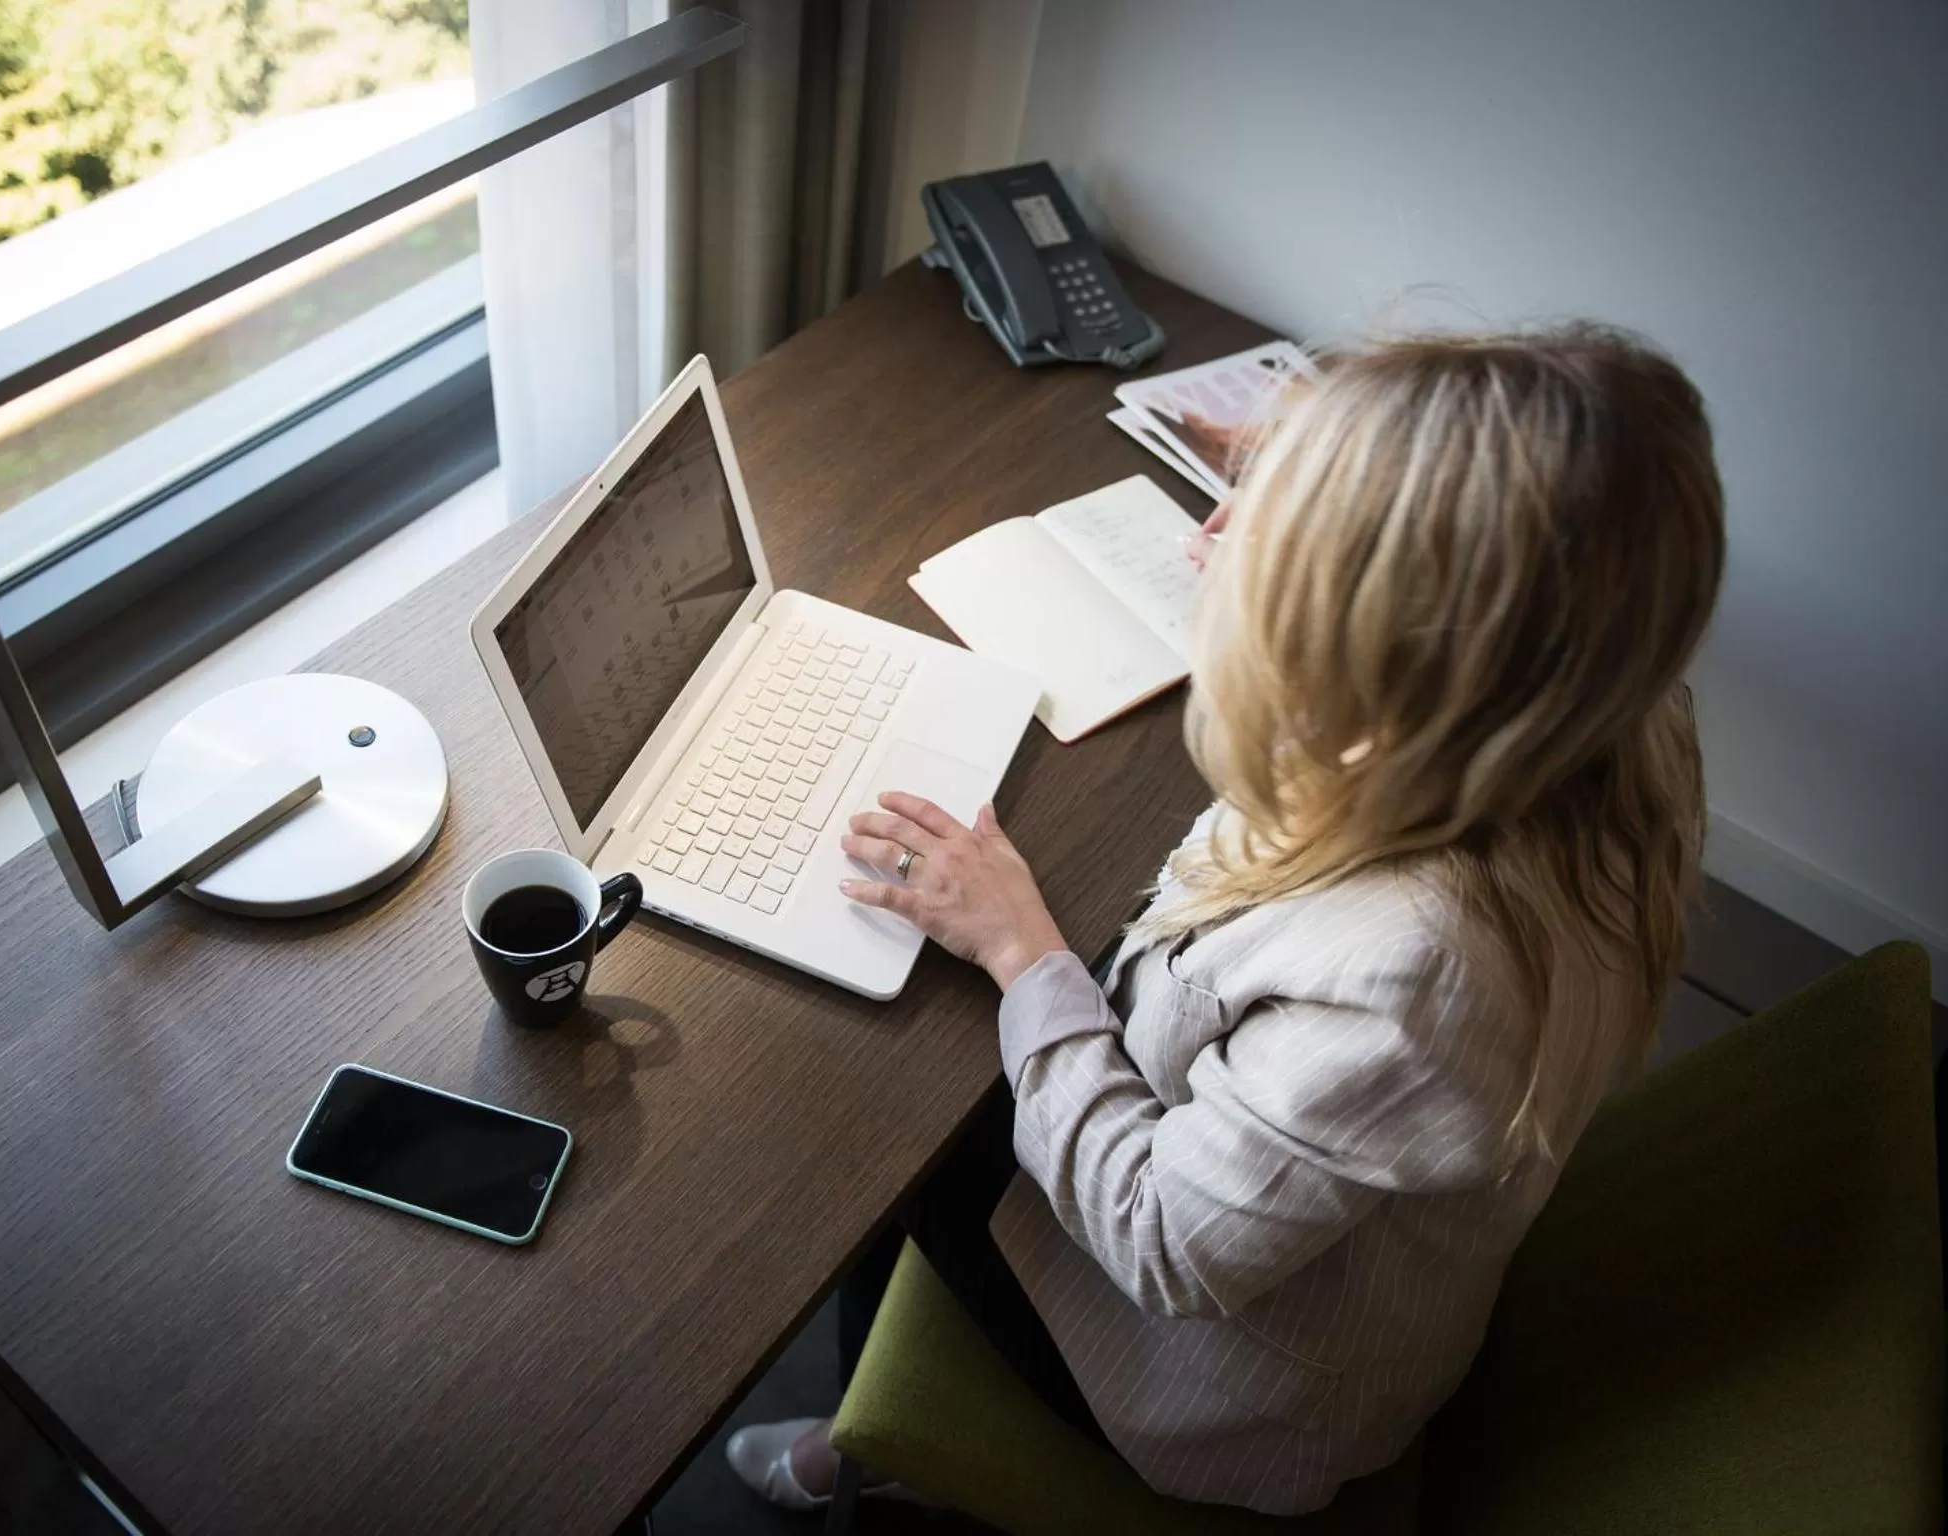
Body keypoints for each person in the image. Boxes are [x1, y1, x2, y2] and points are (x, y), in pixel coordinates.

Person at [726, 325, 1725, 1517]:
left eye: (1272, 546)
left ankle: (877, 1447)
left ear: (1402, 662)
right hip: (1281, 1170)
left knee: (890, 1157)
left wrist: (1020, 948)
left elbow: (1159, 1242)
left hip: (1215, 1384)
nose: (1206, 536)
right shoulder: (1600, 715)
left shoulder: (1411, 976)